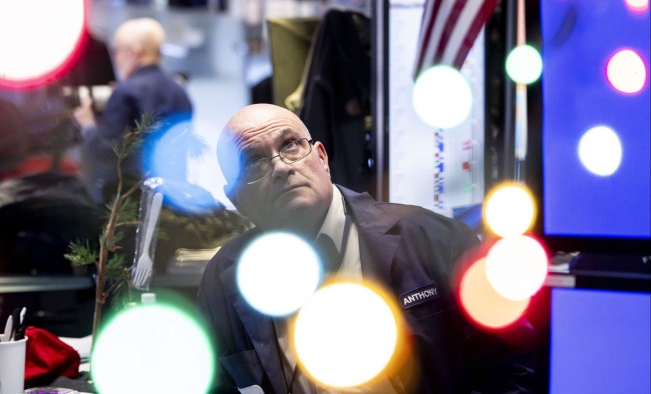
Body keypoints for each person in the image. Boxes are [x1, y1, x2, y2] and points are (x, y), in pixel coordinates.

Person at [196, 104, 535, 393]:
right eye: (254, 162)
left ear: (321, 158)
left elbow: (515, 365)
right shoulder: (223, 278)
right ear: (236, 198)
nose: (282, 166)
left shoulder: (434, 238)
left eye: (290, 145)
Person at [72, 17, 193, 204]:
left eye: (118, 51)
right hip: (173, 198)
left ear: (135, 51)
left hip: (131, 201)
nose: (116, 58)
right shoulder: (180, 93)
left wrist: (88, 125)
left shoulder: (126, 92)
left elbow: (108, 153)